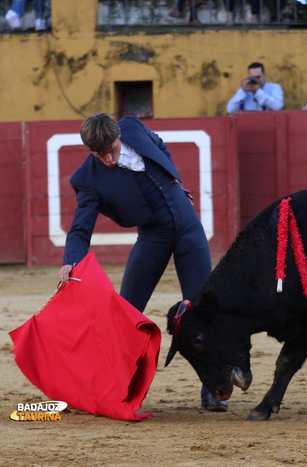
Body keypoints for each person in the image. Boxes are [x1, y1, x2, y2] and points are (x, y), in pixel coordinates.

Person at [58, 112, 226, 412]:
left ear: (118, 135)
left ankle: (213, 387)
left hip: (189, 228)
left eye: (111, 149)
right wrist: (71, 261)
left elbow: (159, 144)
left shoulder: (133, 127)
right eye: (100, 154)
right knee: (127, 312)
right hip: (153, 237)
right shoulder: (86, 179)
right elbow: (80, 228)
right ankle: (115, 386)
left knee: (202, 311)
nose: (108, 159)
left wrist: (173, 180)